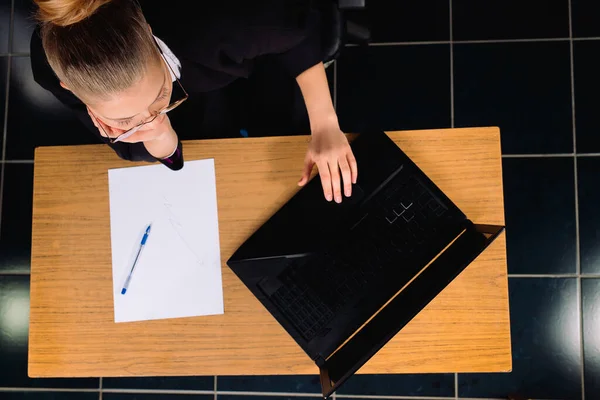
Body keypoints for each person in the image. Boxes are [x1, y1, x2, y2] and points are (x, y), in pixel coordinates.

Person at [30, 0, 358, 203]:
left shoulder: (223, 22)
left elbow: (297, 33)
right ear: (69, 88)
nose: (152, 115)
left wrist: (326, 124)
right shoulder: (55, 64)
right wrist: (157, 133)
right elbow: (169, 159)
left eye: (159, 95)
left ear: (148, 30)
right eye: (125, 119)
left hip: (250, 58)